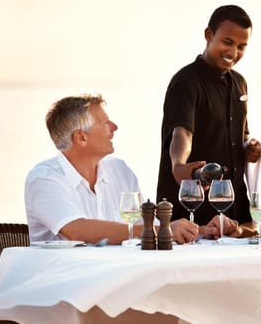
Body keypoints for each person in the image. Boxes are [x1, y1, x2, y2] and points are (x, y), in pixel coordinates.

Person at [25, 93, 199, 244]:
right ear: (81, 137)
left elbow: (147, 224)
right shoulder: (44, 179)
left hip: (116, 273)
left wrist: (202, 231)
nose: (114, 127)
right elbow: (77, 230)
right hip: (61, 277)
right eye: (105, 122)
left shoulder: (119, 170)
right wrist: (159, 231)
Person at [156, 5, 261, 238]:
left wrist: (251, 148)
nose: (234, 52)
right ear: (208, 35)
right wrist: (179, 165)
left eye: (242, 46)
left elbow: (240, 135)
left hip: (235, 210)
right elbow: (182, 133)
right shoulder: (186, 81)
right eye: (227, 42)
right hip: (192, 213)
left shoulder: (240, 83)